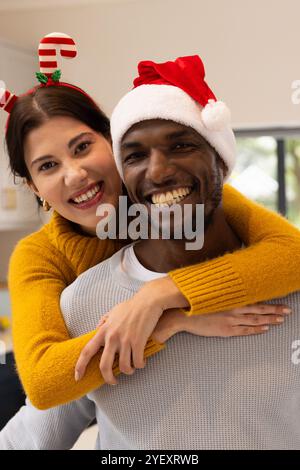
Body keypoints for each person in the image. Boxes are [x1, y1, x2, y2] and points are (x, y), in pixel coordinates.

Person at [1, 34, 300, 415]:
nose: (74, 174)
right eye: (48, 166)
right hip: (103, 397)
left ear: (113, 143)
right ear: (33, 186)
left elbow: (293, 253)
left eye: (82, 147)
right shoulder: (38, 256)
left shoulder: (175, 195)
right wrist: (166, 324)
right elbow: (44, 382)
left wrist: (161, 295)